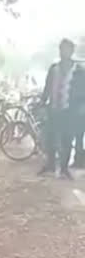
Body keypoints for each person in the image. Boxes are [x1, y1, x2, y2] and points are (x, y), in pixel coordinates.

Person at [39, 39, 85, 179]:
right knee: (50, 138)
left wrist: (82, 106)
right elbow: (47, 87)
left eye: (66, 49)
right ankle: (51, 165)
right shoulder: (54, 68)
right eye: (61, 49)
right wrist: (42, 103)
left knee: (67, 139)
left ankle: (64, 168)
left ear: (71, 51)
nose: (63, 51)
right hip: (53, 108)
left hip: (70, 111)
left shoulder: (79, 71)